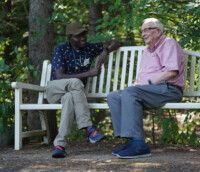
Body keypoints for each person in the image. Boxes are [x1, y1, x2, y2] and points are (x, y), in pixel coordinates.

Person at [107, 18, 185, 159]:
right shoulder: (146, 51)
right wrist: (137, 84)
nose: (143, 34)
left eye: (146, 30)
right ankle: (131, 141)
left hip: (169, 89)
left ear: (158, 31)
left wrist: (146, 84)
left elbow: (171, 72)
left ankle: (139, 145)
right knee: (114, 96)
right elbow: (142, 77)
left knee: (130, 92)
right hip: (151, 91)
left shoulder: (168, 44)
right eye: (142, 31)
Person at [45, 22, 122, 158]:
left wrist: (106, 51)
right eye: (78, 36)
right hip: (55, 89)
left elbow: (116, 42)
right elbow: (60, 76)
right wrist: (88, 73)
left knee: (69, 98)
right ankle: (88, 128)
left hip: (73, 93)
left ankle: (60, 145)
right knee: (75, 82)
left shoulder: (89, 48)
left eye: (84, 34)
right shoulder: (61, 50)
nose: (83, 38)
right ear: (69, 38)